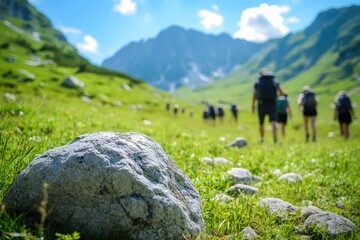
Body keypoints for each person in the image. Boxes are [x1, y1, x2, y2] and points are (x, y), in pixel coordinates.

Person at [252, 68, 285, 143]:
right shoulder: (274, 81)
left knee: (261, 122)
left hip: (261, 104)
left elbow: (254, 95)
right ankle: (275, 137)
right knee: (273, 121)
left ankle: (262, 138)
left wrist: (253, 106)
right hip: (272, 103)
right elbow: (282, 93)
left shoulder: (258, 82)